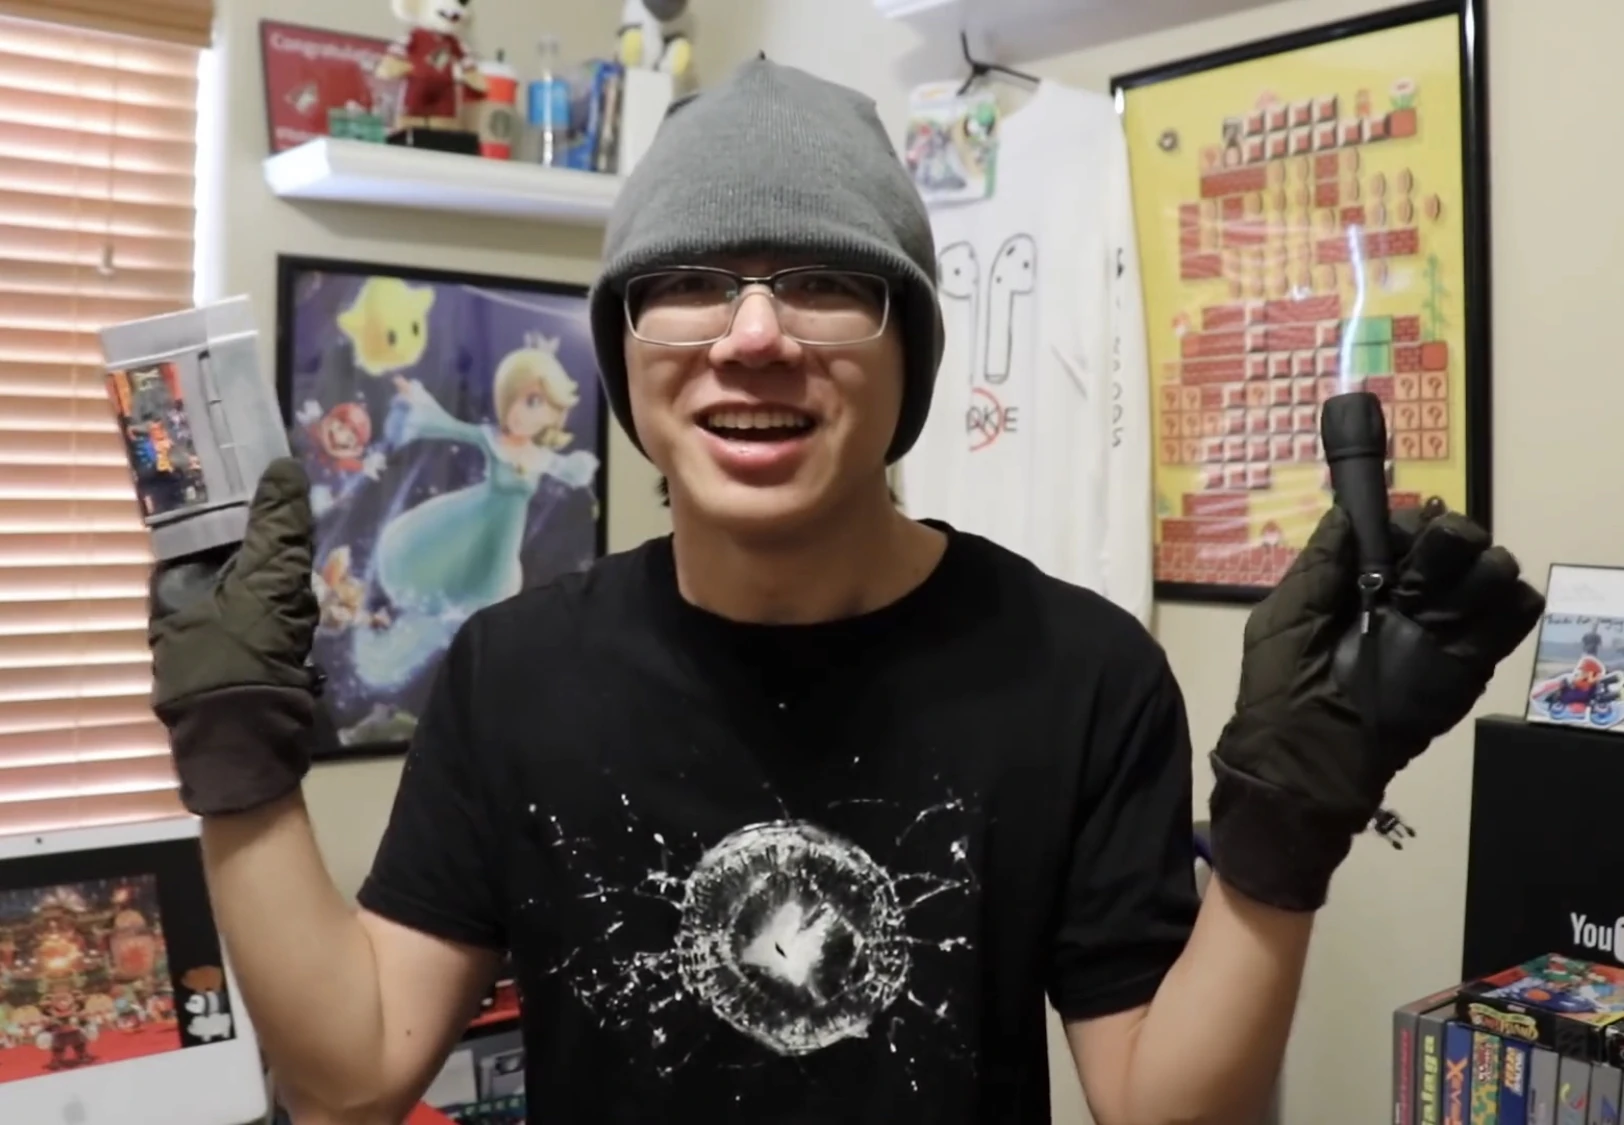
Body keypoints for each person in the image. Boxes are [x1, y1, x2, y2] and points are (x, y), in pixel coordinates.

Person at [147, 58, 1544, 1125]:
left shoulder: (1079, 673)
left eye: (824, 282)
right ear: (627, 354)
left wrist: (1284, 831)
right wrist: (233, 752)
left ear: (909, 357)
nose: (753, 336)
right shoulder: (511, 674)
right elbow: (349, 1080)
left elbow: (1165, 1109)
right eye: (690, 283)